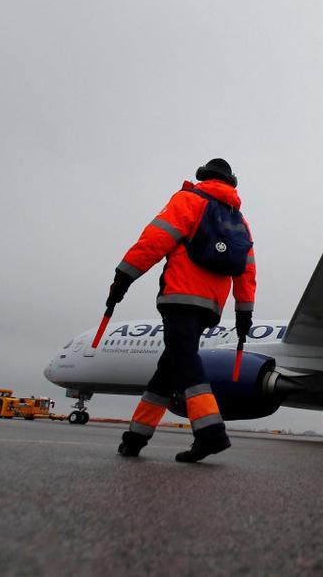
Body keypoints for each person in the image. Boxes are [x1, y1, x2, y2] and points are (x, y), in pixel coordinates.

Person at [108, 158, 256, 463]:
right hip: (211, 304)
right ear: (230, 184)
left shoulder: (188, 200)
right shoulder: (238, 219)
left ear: (203, 177)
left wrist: (123, 277)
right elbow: (247, 272)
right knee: (169, 368)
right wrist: (244, 313)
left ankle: (210, 432)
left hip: (180, 295)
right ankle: (135, 438)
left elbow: (153, 241)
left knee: (184, 360)